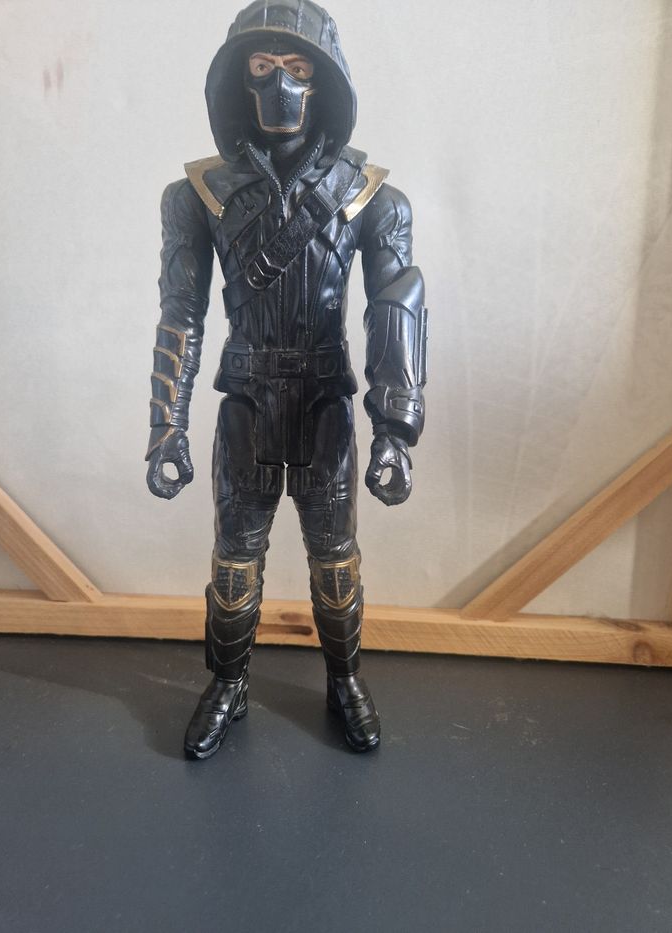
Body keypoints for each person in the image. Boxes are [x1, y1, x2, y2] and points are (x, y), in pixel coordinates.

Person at [145, 0, 427, 759]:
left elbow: (396, 307)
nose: (281, 84)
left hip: (325, 403)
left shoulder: (372, 198)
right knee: (235, 560)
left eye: (298, 68)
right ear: (238, 80)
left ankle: (345, 678)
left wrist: (396, 429)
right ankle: (229, 681)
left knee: (335, 560)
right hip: (246, 400)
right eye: (263, 67)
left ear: (324, 80)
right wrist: (166, 425)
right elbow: (180, 314)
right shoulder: (197, 195)